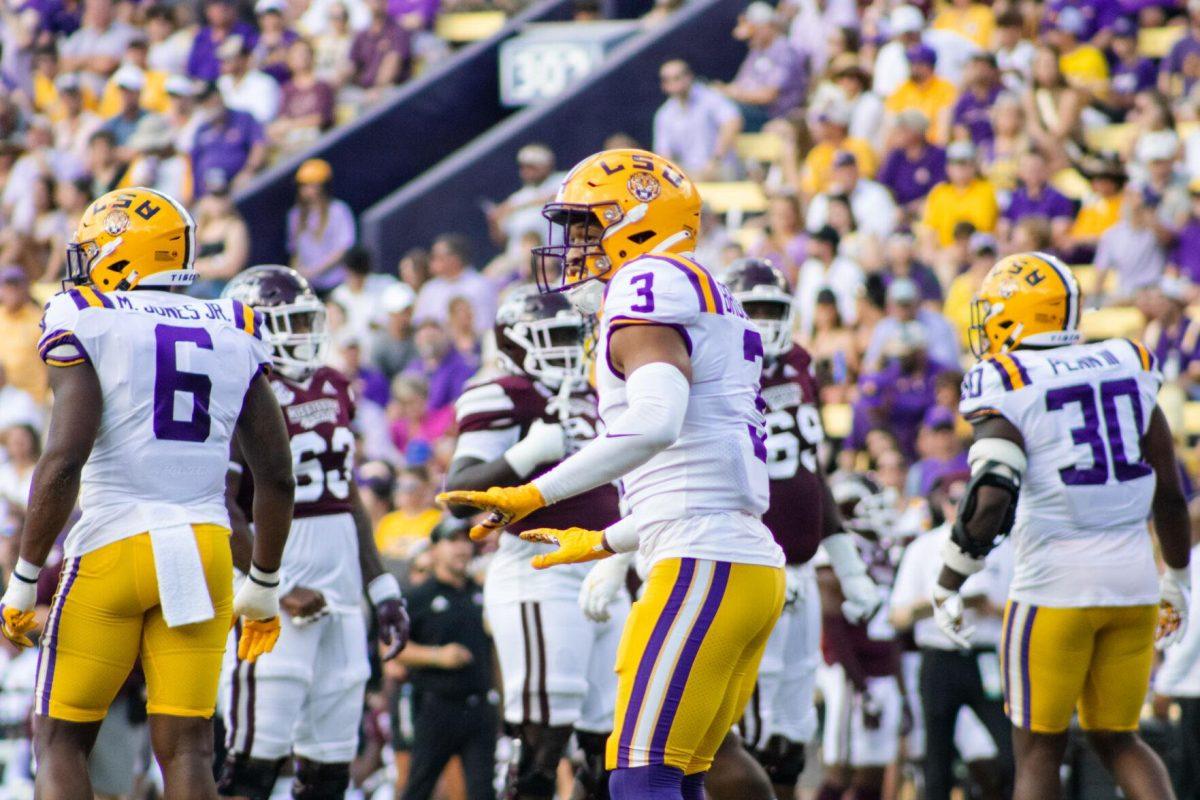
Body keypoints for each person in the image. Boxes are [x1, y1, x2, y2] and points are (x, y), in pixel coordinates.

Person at [440, 148, 787, 800]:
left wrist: (534, 493)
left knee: (638, 779)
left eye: (585, 225)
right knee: (678, 781)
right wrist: (605, 541)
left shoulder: (647, 280)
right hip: (731, 554)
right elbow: (697, 464)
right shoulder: (701, 287)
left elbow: (656, 422)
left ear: (640, 220)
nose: (572, 244)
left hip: (702, 559)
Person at [0, 187, 296, 800]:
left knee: (58, 740)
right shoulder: (234, 323)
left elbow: (62, 462)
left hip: (115, 544)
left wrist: (25, 578)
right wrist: (264, 585)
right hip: (205, 549)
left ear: (123, 253)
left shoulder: (84, 313)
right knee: (189, 749)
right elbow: (276, 475)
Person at [934, 252, 1193, 800]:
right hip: (1133, 584)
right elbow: (1170, 495)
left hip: (1054, 587)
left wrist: (950, 580)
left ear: (1020, 316)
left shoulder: (1003, 378)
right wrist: (1178, 578)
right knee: (1119, 739)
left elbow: (991, 498)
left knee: (1037, 749)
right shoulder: (1127, 361)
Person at [217, 266, 409, 800]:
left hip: (343, 592)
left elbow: (345, 494)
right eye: (289, 322)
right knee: (251, 765)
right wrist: (269, 583)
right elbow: (221, 503)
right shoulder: (242, 390)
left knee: (329, 772)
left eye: (307, 320)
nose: (302, 334)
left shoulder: (333, 383)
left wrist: (382, 587)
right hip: (277, 582)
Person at [445, 287, 628, 799]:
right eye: (555, 336)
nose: (568, 348)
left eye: (574, 335)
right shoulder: (501, 391)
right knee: (542, 738)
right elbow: (456, 494)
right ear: (515, 341)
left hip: (605, 565)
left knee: (609, 741)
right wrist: (530, 452)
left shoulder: (593, 391)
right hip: (538, 570)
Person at [719, 260, 880, 800]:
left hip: (803, 568)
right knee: (754, 724)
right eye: (753, 308)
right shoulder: (714, 368)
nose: (764, 322)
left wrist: (849, 564)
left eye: (773, 310)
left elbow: (810, 475)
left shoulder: (799, 366)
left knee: (790, 733)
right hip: (752, 563)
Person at [889, 472, 1012, 800]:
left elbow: (1024, 610)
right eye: (955, 500)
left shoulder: (1003, 548)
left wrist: (988, 606)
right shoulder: (924, 548)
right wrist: (941, 602)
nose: (962, 508)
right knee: (937, 758)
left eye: (970, 501)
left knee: (1009, 754)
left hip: (986, 657)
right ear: (942, 504)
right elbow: (897, 615)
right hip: (940, 656)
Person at [812, 473, 904, 800]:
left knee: (873, 775)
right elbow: (833, 627)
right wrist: (861, 687)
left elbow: (890, 626)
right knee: (840, 771)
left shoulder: (885, 551)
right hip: (850, 674)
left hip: (883, 670)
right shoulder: (834, 553)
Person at [398, 520, 496, 800]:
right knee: (418, 788)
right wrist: (437, 656)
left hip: (479, 707)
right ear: (435, 549)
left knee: (483, 792)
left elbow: (493, 653)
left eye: (466, 541)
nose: (462, 548)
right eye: (453, 541)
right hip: (436, 706)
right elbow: (391, 650)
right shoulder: (418, 596)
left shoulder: (481, 593)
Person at [718, 2, 805, 130]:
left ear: (767, 26)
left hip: (774, 115)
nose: (749, 38)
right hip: (751, 109)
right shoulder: (757, 50)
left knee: (728, 110)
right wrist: (722, 90)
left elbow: (768, 96)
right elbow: (740, 82)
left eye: (754, 32)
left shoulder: (784, 51)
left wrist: (733, 93)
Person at [653, 59, 742, 180]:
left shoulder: (710, 97)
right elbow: (663, 154)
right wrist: (680, 175)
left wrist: (715, 160)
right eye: (667, 80)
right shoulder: (664, 114)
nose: (673, 83)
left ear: (689, 77)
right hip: (688, 174)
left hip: (720, 166)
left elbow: (733, 122)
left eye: (677, 78)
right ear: (663, 85)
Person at [287, 158, 357, 292]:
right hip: (310, 286)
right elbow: (294, 251)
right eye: (304, 185)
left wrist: (314, 270)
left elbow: (344, 248)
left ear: (323, 186)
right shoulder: (294, 215)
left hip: (337, 281)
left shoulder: (338, 210)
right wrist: (295, 276)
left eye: (313, 185)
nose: (308, 190)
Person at [413, 234, 495, 334]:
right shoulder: (429, 289)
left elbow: (485, 324)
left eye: (438, 257)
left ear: (455, 258)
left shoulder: (480, 285)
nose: (432, 261)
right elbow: (419, 324)